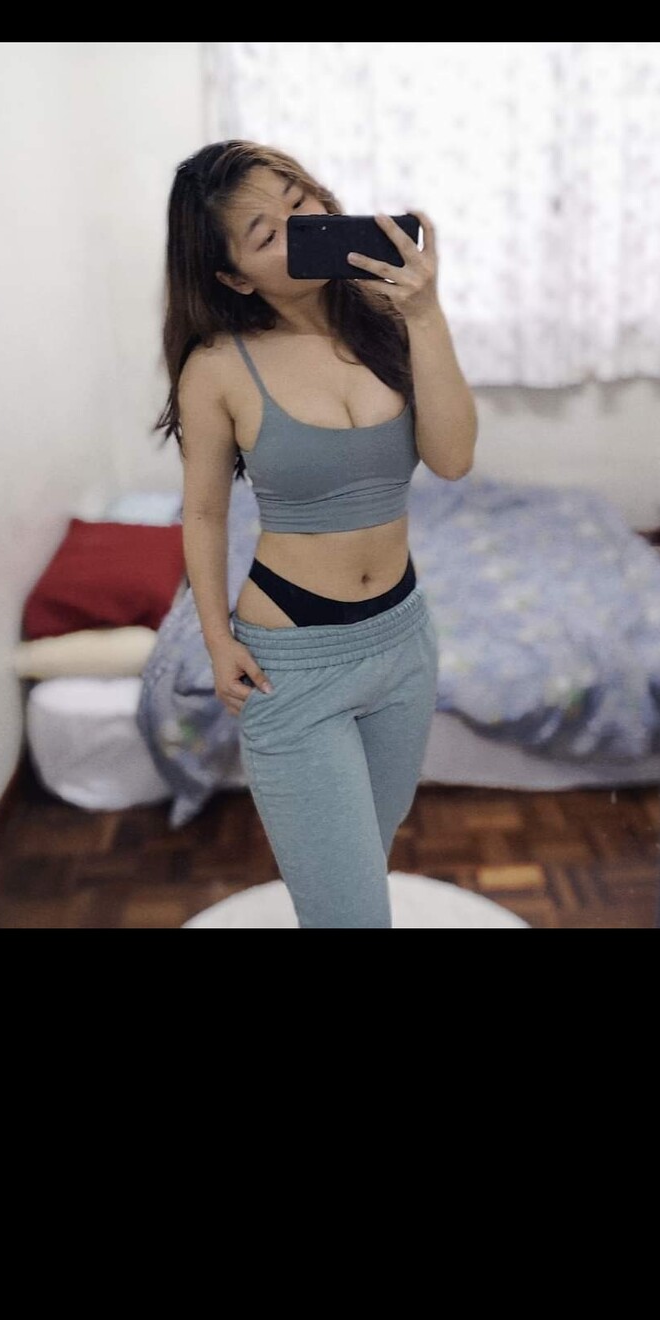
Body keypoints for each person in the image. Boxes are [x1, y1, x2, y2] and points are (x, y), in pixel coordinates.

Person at [152, 139, 443, 927]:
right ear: (234, 277)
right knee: (352, 915)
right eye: (266, 232)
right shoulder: (218, 366)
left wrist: (427, 313)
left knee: (364, 867)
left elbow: (453, 458)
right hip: (293, 662)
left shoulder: (386, 321)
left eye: (299, 202)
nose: (302, 224)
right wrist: (217, 639)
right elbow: (204, 512)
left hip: (404, 641)